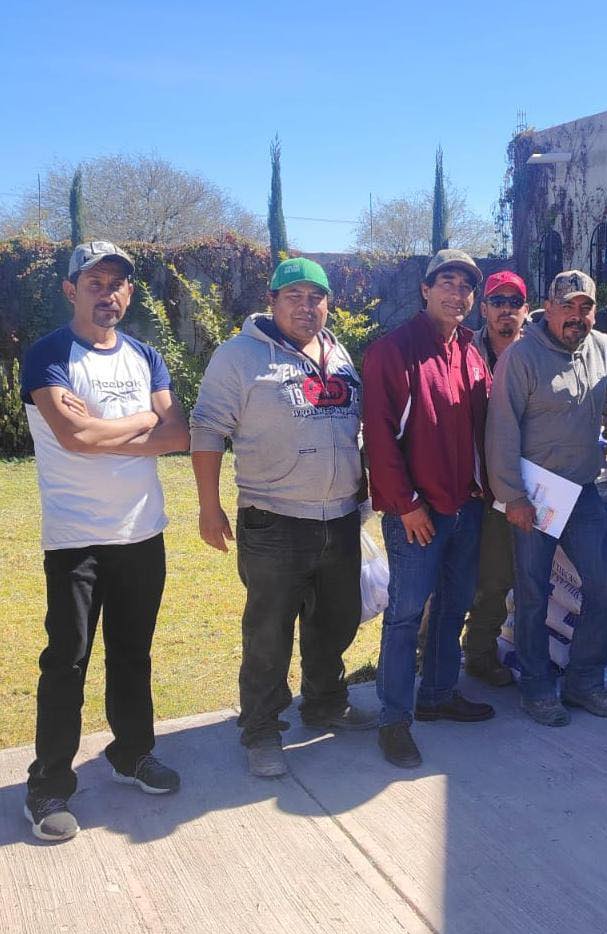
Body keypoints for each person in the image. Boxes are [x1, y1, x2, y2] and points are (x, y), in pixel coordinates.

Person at [20, 241, 189, 840]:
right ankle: (47, 786)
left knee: (132, 653)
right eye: (94, 282)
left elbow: (178, 434)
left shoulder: (145, 355)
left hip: (141, 531)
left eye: (117, 283)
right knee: (66, 662)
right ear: (71, 289)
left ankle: (131, 752)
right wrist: (142, 420)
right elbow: (72, 437)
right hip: (75, 539)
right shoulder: (49, 355)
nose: (107, 293)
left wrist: (110, 431)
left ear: (129, 293)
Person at [191, 257, 373, 778]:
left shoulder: (338, 354)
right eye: (293, 295)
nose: (305, 306)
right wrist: (209, 506)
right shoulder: (240, 356)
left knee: (335, 620)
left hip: (339, 516)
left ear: (328, 304)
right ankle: (262, 727)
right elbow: (206, 429)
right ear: (271, 301)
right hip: (273, 519)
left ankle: (324, 701)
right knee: (269, 632)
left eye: (315, 296)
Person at [362, 250, 495, 769]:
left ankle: (438, 694)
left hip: (467, 506)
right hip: (418, 512)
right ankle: (394, 719)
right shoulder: (392, 352)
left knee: (453, 605)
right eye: (447, 282)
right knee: (405, 614)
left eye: (465, 287)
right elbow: (378, 439)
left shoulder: (469, 350)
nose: (456, 294)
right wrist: (407, 505)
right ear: (425, 289)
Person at [486, 270, 607, 726]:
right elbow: (501, 430)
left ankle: (584, 682)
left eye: (585, 307)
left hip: (582, 492)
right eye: (567, 306)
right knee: (532, 593)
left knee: (604, 588)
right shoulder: (522, 357)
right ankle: (537, 688)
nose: (576, 315)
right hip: (536, 494)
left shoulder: (604, 349)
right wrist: (513, 497)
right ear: (548, 305)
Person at [458, 271, 530, 688]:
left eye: (514, 301)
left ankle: (480, 653)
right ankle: (429, 653)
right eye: (497, 300)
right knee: (452, 577)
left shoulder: (537, 351)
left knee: (497, 579)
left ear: (525, 308)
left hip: (517, 487)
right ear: (483, 308)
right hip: (465, 484)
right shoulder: (462, 351)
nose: (506, 309)